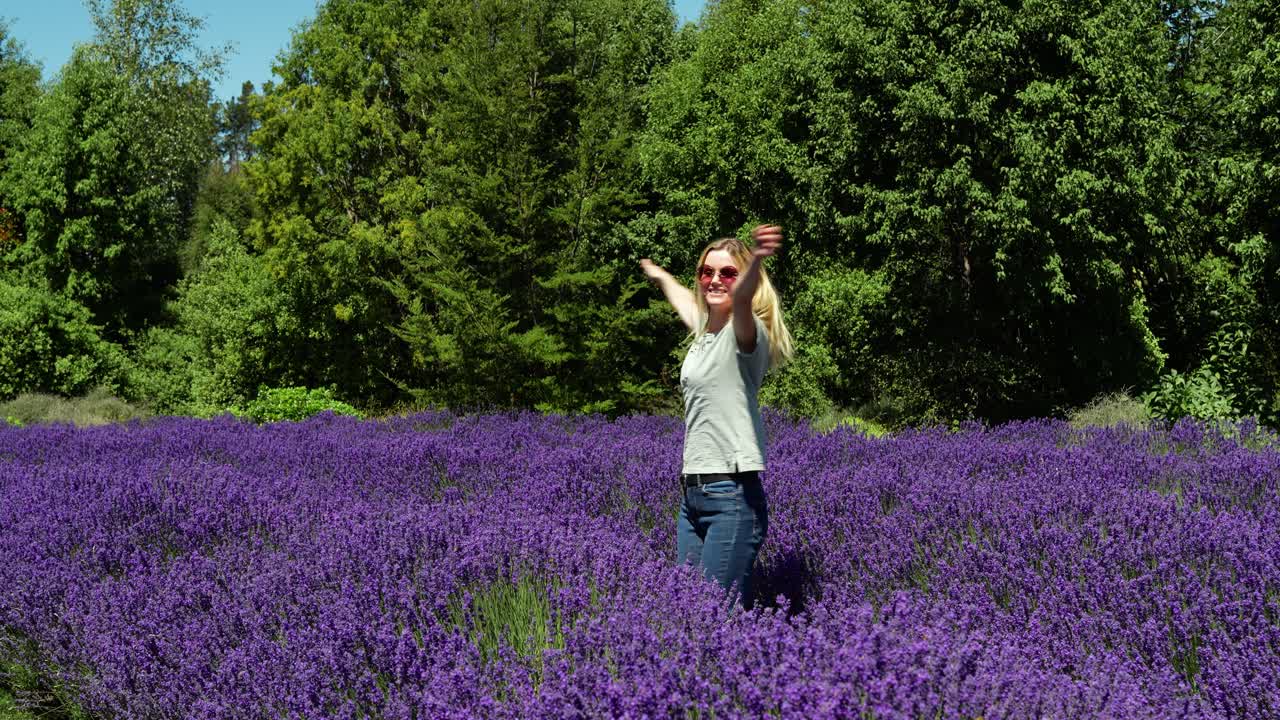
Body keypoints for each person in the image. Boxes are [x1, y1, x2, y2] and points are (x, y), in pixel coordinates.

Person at [639, 224, 795, 609]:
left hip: (732, 496)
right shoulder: (705, 332)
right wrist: (659, 275)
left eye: (727, 273)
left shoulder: (747, 334)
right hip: (692, 496)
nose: (714, 280)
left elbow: (741, 301)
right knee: (688, 612)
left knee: (713, 617)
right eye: (706, 272)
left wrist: (756, 259)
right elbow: (684, 301)